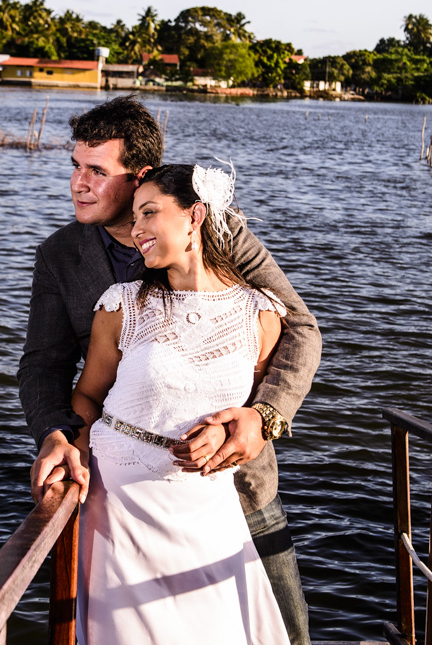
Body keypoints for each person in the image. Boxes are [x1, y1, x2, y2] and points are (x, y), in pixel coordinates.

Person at [17, 95, 320, 645]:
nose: (78, 184)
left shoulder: (218, 232)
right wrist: (55, 435)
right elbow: (43, 365)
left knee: (284, 630)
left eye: (97, 171)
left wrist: (263, 416)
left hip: (234, 481)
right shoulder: (60, 255)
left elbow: (299, 329)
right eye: (75, 167)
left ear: (141, 178)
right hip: (121, 496)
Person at [71, 163, 290, 644]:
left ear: (194, 216)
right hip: (118, 513)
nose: (137, 229)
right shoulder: (123, 304)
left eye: (149, 213)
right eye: (133, 218)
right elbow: (86, 395)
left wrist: (242, 426)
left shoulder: (261, 313)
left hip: (208, 513)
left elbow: (251, 412)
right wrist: (70, 450)